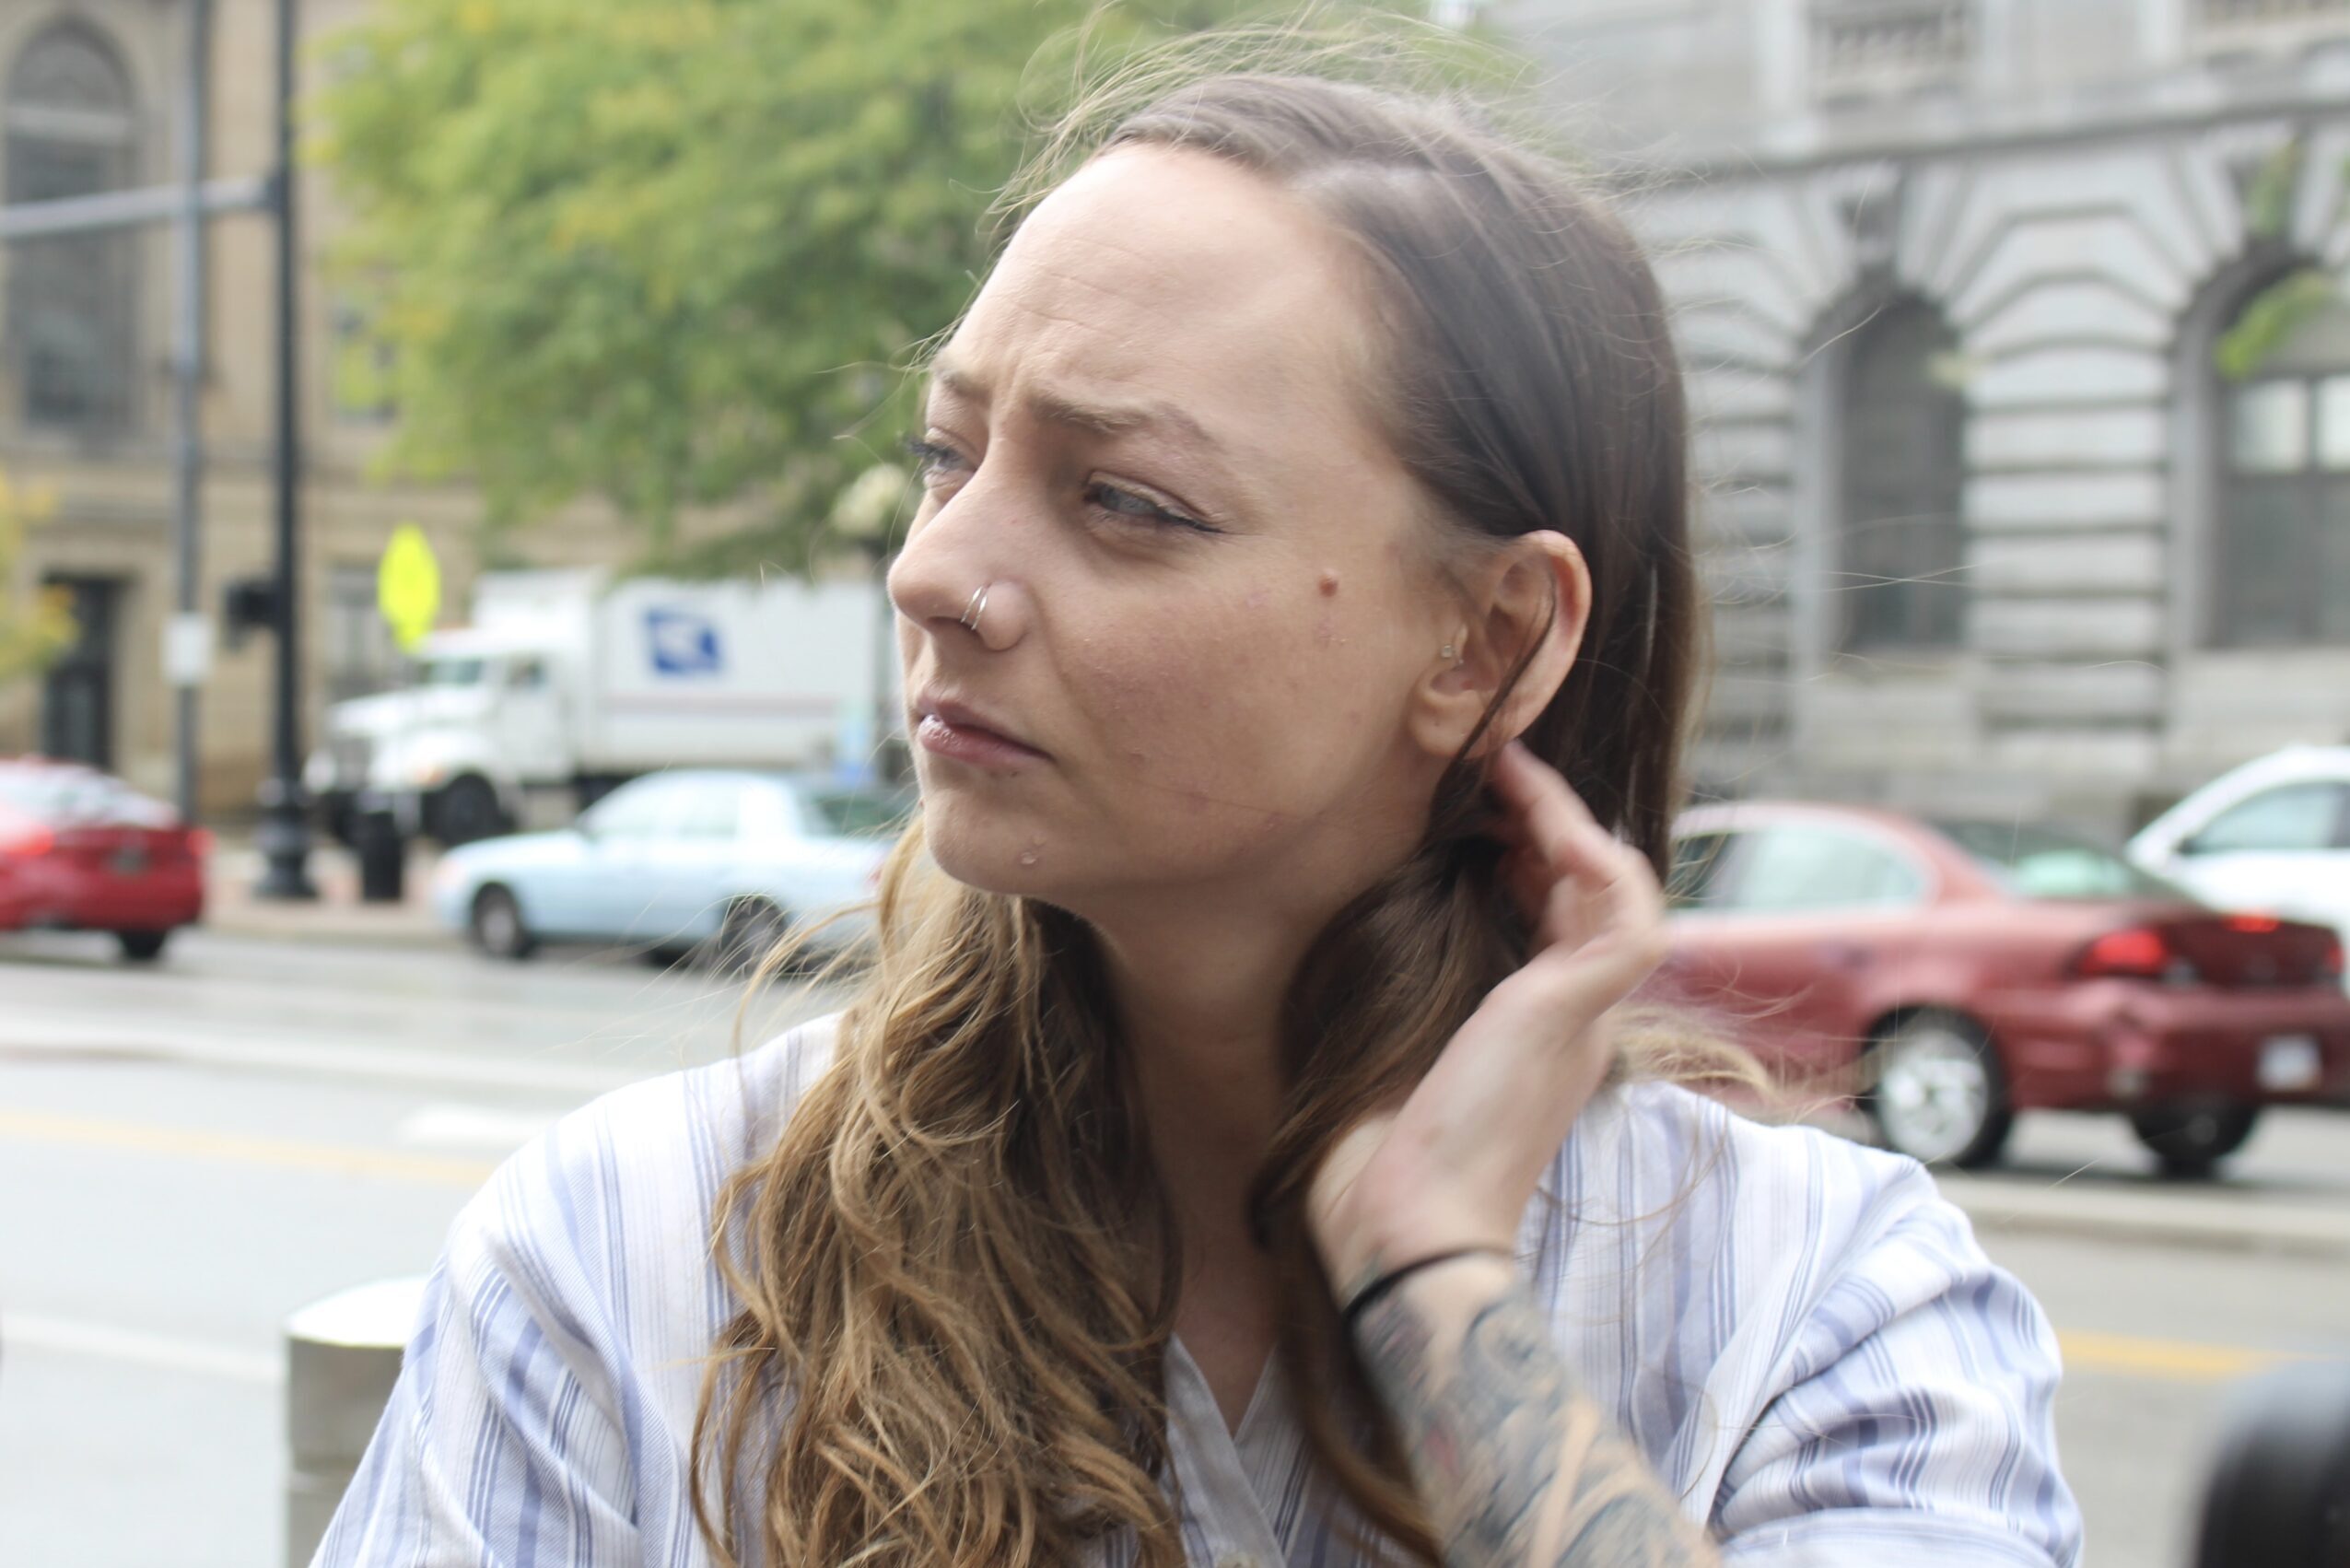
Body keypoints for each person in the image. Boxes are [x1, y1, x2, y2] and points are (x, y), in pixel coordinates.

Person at [315, 66, 2081, 1568]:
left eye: (1127, 500)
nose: (938, 571)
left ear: (1485, 639)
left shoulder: (1822, 1308)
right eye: (951, 453)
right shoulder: (629, 1257)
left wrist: (1440, 1290)